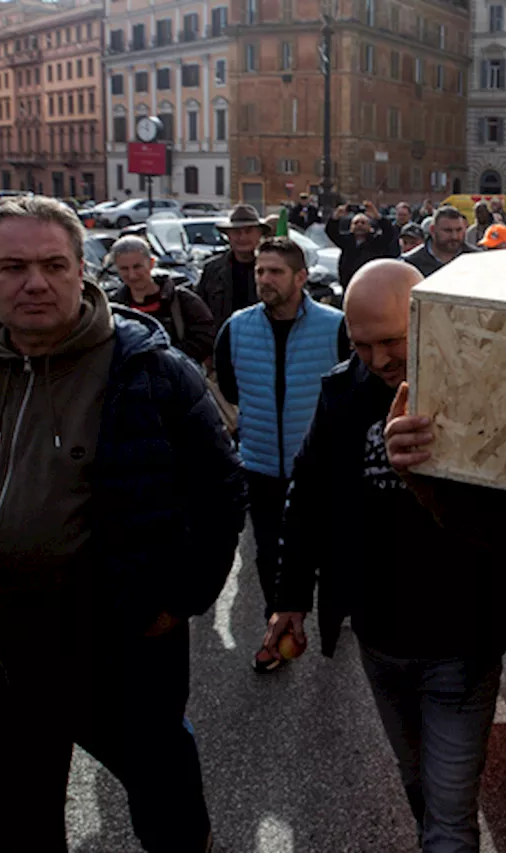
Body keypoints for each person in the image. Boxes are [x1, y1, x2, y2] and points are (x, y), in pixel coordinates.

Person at [0, 195, 247, 852]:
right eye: (14, 266)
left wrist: (175, 601)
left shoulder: (150, 373)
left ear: (83, 269)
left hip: (120, 662)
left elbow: (220, 494)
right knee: (15, 829)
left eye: (54, 264)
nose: (35, 282)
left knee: (170, 817)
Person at [266, 259, 506, 851]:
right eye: (361, 344)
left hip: (461, 643)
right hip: (379, 639)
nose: (377, 361)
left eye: (392, 341)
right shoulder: (342, 394)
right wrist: (290, 598)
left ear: (427, 319)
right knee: (418, 784)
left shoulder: (480, 391)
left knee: (450, 817)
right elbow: (307, 496)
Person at [214, 236, 350, 672]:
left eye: (275, 272)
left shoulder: (336, 326)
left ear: (301, 277)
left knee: (330, 549)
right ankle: (279, 632)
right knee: (270, 554)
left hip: (321, 469)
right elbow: (232, 391)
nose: (265, 280)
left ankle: (334, 615)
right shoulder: (236, 328)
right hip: (260, 465)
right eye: (259, 271)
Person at [107, 235, 215, 364]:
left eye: (137, 267)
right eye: (124, 269)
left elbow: (205, 339)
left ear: (151, 263)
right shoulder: (113, 308)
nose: (132, 275)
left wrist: (164, 359)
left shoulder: (183, 301)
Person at [197, 204, 270, 336]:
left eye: (248, 231)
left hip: (262, 343)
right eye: (237, 232)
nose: (242, 237)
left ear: (259, 234)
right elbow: (199, 315)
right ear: (228, 235)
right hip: (223, 344)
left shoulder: (272, 269)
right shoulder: (212, 270)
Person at [325, 201, 400, 286]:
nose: (359, 225)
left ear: (370, 227)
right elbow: (331, 232)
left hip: (370, 283)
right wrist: (336, 217)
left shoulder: (376, 242)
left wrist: (377, 217)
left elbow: (389, 233)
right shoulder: (346, 241)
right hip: (349, 283)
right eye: (356, 223)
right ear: (351, 227)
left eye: (363, 223)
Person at [403, 205, 472, 277]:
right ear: (432, 230)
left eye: (459, 230)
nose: (454, 236)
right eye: (448, 231)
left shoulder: (476, 259)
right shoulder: (412, 263)